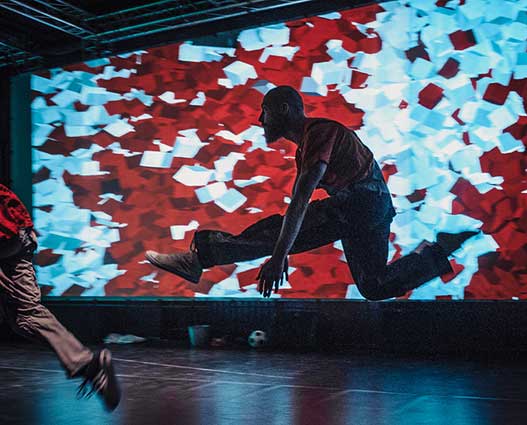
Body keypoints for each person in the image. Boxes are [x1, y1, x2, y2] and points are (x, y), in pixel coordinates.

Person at [146, 85, 476, 300]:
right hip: (373, 207)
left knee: (275, 233)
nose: (261, 119)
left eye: (265, 111)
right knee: (374, 285)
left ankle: (198, 257)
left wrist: (279, 257)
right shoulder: (308, 145)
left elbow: (300, 202)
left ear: (285, 109)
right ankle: (438, 253)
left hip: (361, 203)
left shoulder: (319, 133)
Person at [0, 183, 120, 411]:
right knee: (24, 316)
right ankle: (89, 366)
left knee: (26, 316)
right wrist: (26, 229)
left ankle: (88, 365)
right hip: (17, 239)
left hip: (9, 240)